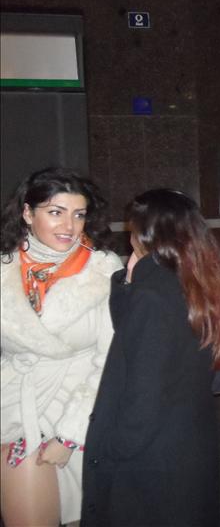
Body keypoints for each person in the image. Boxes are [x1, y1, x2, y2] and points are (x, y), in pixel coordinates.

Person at [81, 189, 220, 526]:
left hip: (151, 456)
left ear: (146, 235)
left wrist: (113, 448)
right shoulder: (200, 281)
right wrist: (130, 280)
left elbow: (143, 390)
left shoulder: (152, 295)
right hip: (189, 441)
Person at [0, 167, 122, 527]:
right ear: (27, 213)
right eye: (56, 212)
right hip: (17, 409)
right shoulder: (4, 267)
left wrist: (70, 436)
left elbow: (110, 360)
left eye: (78, 214)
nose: (69, 226)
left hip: (80, 410)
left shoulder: (102, 270)